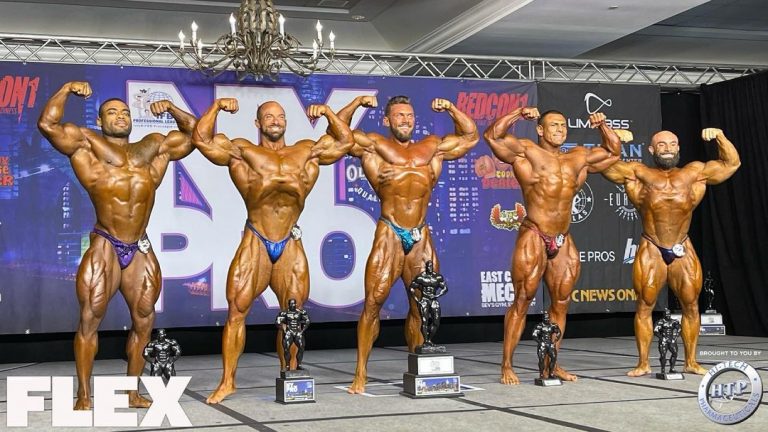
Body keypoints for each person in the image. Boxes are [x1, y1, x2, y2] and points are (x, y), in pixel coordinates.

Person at [37, 81, 196, 409]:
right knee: (90, 316)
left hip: (139, 245)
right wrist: (65, 89)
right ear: (100, 120)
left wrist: (170, 107)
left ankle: (131, 391)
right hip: (106, 243)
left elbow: (196, 134)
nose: (120, 116)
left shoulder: (152, 148)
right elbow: (48, 124)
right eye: (112, 112)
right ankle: (83, 394)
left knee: (144, 319)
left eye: (125, 112)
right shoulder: (86, 145)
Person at [192, 98, 353, 403]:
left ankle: (290, 375)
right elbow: (201, 139)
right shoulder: (243, 150)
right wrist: (216, 107)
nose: (275, 120)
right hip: (256, 239)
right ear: (258, 123)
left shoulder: (306, 150)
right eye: (268, 116)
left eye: (280, 116)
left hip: (290, 240)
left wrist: (328, 112)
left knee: (292, 316)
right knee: (236, 311)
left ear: (286, 122)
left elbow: (345, 141)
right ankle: (228, 381)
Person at [334, 95, 479, 394]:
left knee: (422, 305)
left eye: (409, 115)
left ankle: (420, 366)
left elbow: (470, 136)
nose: (406, 120)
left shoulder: (432, 147)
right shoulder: (374, 146)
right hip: (389, 231)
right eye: (399, 115)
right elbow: (338, 133)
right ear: (387, 120)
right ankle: (360, 373)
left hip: (421, 234)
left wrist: (451, 109)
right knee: (373, 303)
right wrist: (356, 104)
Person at [484, 108, 622, 385]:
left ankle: (552, 364)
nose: (560, 129)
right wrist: (518, 114)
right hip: (534, 232)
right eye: (554, 125)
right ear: (540, 129)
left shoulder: (578, 157)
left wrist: (602, 125)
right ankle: (507, 365)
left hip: (563, 237)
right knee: (522, 299)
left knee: (561, 304)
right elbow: (492, 136)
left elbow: (613, 152)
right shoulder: (527, 152)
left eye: (563, 125)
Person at [601, 128, 740, 376]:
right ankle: (643, 363)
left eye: (672, 144)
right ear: (651, 150)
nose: (667, 149)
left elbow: (732, 164)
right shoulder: (638, 173)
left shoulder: (694, 173)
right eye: (661, 145)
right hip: (651, 247)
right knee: (644, 305)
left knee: (691, 305)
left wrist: (720, 136)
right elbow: (603, 166)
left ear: (678, 148)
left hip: (682, 246)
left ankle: (691, 361)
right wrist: (612, 140)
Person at [408, 260, 448, 350]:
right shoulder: (421, 277)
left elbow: (445, 288)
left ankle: (429, 340)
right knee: (424, 321)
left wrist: (437, 295)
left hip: (434, 300)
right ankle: (426, 341)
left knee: (436, 322)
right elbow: (411, 288)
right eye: (428, 266)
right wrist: (417, 300)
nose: (430, 268)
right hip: (424, 300)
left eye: (431, 266)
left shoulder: (437, 277)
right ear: (426, 267)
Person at [275, 298, 310, 371]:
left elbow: (307, 321)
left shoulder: (300, 312)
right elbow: (277, 322)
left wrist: (302, 330)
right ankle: (287, 365)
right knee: (286, 349)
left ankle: (299, 365)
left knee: (301, 347)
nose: (292, 305)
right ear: (288, 305)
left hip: (297, 332)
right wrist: (283, 329)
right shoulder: (284, 313)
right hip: (289, 332)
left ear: (295, 304)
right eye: (290, 304)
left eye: (293, 303)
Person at [532, 312, 561, 380]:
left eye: (548, 318)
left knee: (554, 358)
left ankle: (551, 373)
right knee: (541, 359)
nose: (547, 319)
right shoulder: (539, 326)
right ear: (543, 318)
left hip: (550, 343)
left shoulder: (552, 325)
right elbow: (534, 335)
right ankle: (541, 374)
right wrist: (540, 342)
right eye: (545, 318)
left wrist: (555, 340)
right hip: (542, 344)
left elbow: (559, 332)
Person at [654, 309, 681, 375]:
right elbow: (655, 331)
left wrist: (675, 337)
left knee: (675, 353)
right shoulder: (660, 322)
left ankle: (672, 368)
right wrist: (662, 338)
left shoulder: (674, 321)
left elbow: (679, 329)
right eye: (666, 314)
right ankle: (663, 369)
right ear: (664, 315)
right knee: (663, 355)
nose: (668, 315)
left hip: (671, 339)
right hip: (663, 340)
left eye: (669, 314)